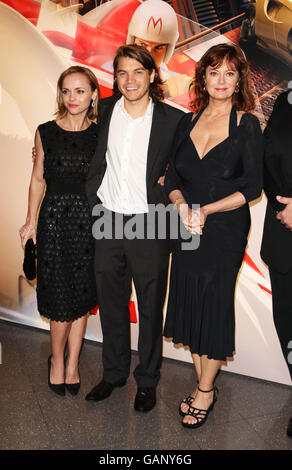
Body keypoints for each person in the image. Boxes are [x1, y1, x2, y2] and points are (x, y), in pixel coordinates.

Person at [163, 43, 263, 428]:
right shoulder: (187, 122)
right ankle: (204, 381)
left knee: (215, 302)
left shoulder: (246, 124)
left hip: (224, 229)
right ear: (203, 78)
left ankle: (205, 390)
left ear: (239, 81)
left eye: (229, 73)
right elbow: (172, 177)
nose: (221, 81)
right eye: (214, 72)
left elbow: (251, 186)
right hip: (186, 226)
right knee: (191, 301)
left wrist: (204, 210)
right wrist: (179, 204)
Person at [85, 45, 183, 412]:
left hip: (150, 222)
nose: (130, 80)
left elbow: (186, 166)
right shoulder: (106, 110)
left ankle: (147, 380)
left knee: (150, 306)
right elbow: (83, 140)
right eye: (123, 72)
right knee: (111, 303)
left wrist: (167, 182)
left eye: (138, 72)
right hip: (107, 217)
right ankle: (113, 374)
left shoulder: (173, 120)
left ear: (152, 76)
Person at [19, 66, 99, 397]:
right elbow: (38, 178)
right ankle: (56, 360)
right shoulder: (45, 132)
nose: (73, 98)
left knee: (81, 296)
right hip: (54, 221)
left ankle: (73, 364)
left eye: (80, 91)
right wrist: (30, 221)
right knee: (59, 297)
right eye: (66, 91)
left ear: (93, 94)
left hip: (91, 223)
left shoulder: (101, 134)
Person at [260, 90, 292, 438]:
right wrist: (283, 206)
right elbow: (267, 159)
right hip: (283, 229)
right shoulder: (285, 101)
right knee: (288, 318)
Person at [126, 0, 192, 99]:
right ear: (131, 42)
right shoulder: (108, 74)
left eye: (158, 48)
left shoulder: (181, 84)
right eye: (143, 45)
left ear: (168, 51)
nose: (149, 55)